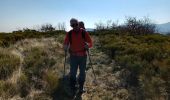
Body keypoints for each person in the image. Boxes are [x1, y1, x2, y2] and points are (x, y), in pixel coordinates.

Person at [63, 18, 93, 95]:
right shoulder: (69, 33)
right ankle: (73, 87)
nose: (75, 26)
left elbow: (90, 43)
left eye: (76, 24)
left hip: (83, 56)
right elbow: (66, 42)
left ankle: (81, 87)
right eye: (72, 25)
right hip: (73, 57)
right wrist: (65, 46)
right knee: (73, 73)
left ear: (78, 24)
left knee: (82, 72)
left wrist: (88, 45)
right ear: (71, 25)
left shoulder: (84, 32)